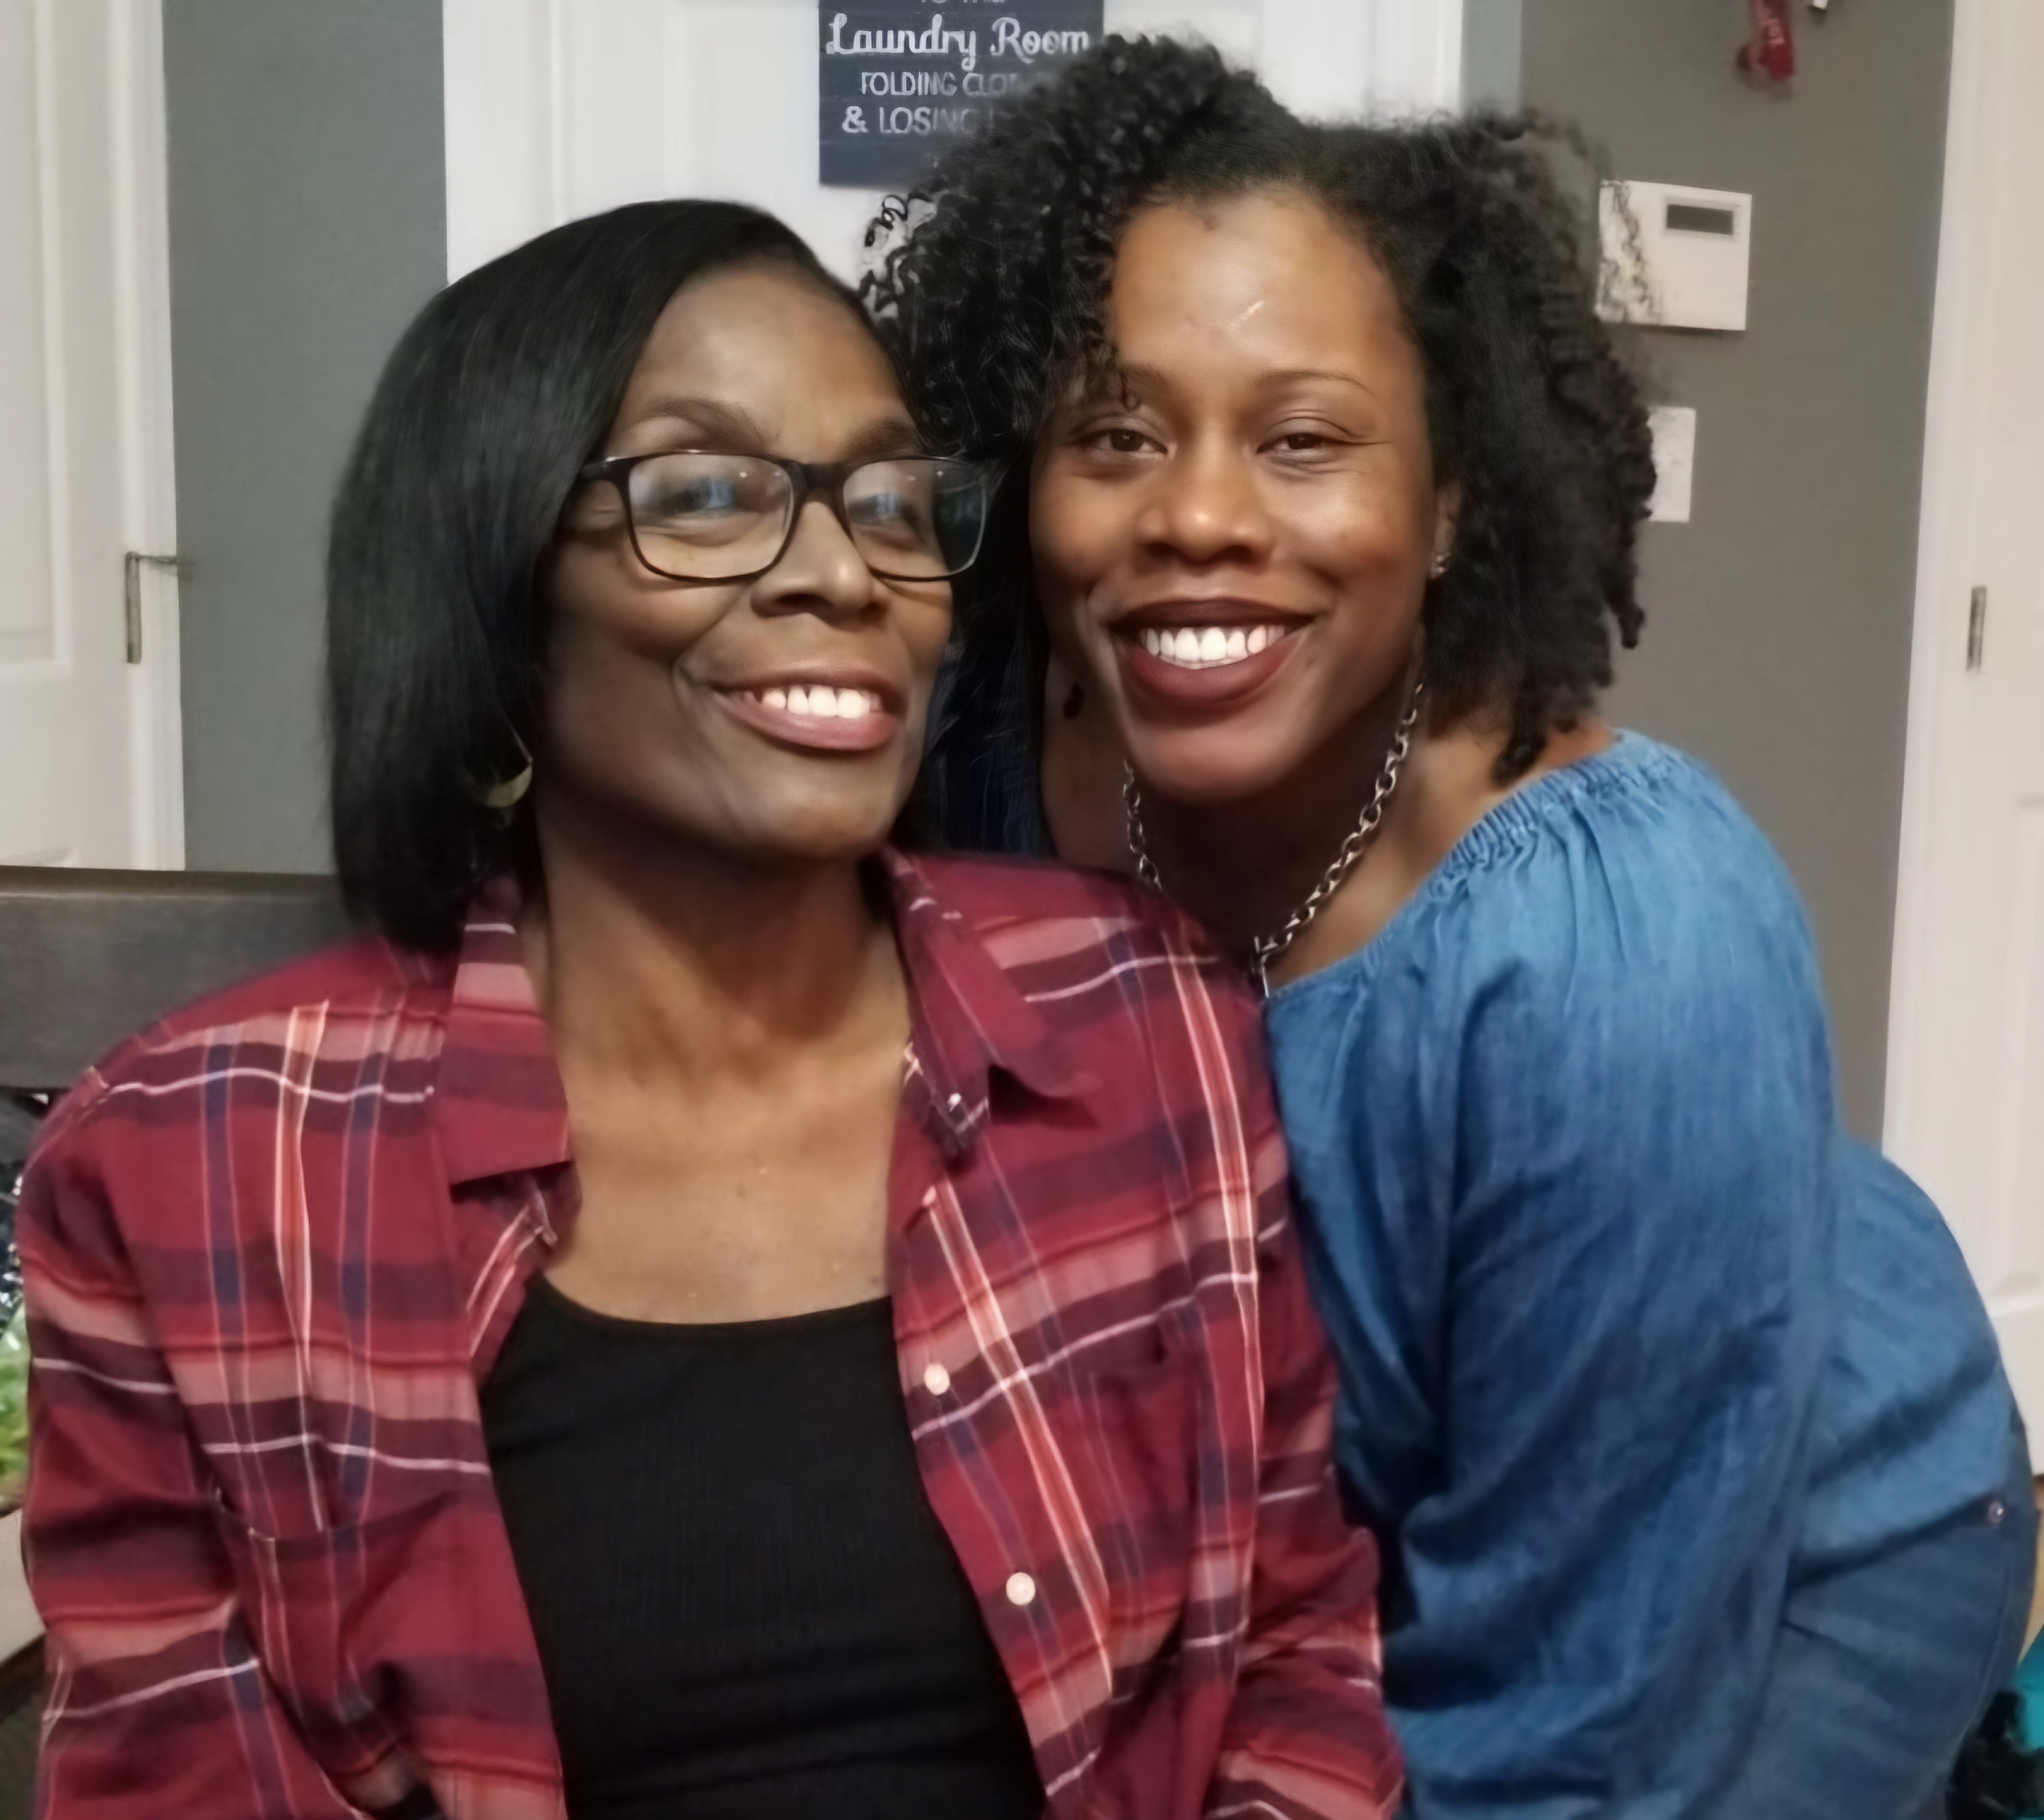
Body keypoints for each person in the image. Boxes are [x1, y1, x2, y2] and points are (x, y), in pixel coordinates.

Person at [17, 199, 1403, 1820]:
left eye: (889, 501)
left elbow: (1298, 1655)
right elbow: (177, 1779)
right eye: (706, 493)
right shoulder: (188, 1169)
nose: (841, 573)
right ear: (497, 574)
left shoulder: (1148, 1021)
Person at [870, 38, 2037, 1819]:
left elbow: (1581, 1715)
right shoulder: (988, 753)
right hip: (1379, 1546)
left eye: (1302, 439)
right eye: (1114, 431)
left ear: (1446, 505)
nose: (1192, 513)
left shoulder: (1616, 943)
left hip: (1795, 1545)